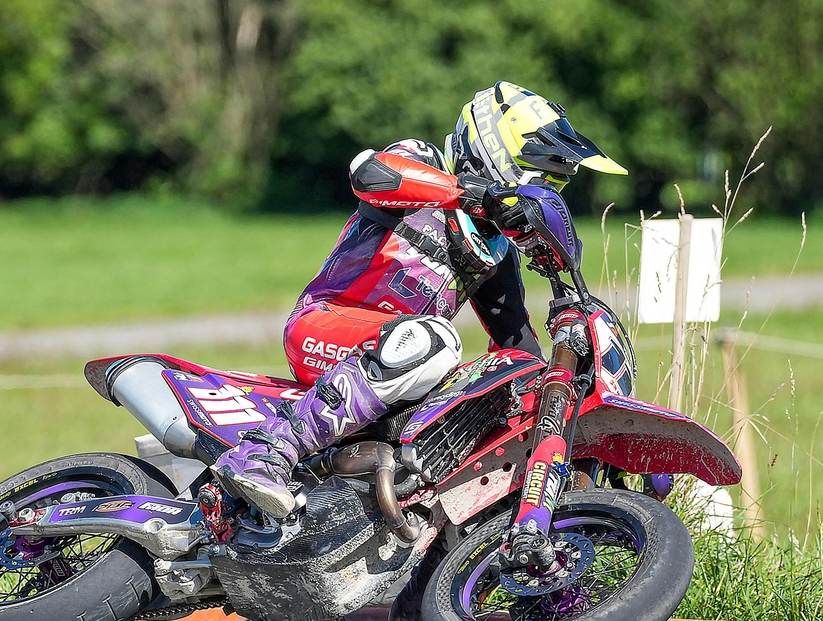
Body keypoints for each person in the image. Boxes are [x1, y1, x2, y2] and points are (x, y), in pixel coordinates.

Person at [212, 80, 627, 521]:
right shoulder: (421, 162)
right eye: (539, 174)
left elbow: (518, 346)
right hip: (327, 324)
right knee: (439, 341)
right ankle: (265, 452)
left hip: (399, 364)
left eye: (552, 182)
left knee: (504, 379)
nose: (544, 189)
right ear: (498, 148)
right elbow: (367, 173)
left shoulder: (494, 249)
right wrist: (475, 194)